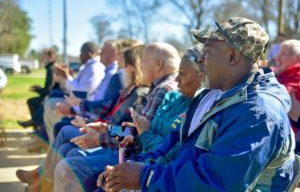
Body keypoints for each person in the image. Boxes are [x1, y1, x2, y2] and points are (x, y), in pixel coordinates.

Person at [99, 17, 296, 192]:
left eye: (208, 52)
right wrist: (127, 169)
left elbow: (216, 183)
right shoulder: (212, 96)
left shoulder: (258, 112)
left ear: (233, 57)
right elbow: (174, 146)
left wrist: (145, 177)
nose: (201, 59)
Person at [53, 44, 208, 192]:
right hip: (133, 154)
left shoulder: (162, 91)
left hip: (131, 154)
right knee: (69, 150)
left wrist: (102, 136)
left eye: (125, 64)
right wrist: (106, 128)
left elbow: (136, 135)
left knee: (67, 158)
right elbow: (133, 129)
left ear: (157, 64)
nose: (121, 69)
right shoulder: (158, 92)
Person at [43, 42, 105, 144]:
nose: (79, 56)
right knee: (50, 99)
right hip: (78, 104)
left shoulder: (95, 68)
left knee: (50, 104)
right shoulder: (87, 67)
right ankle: (52, 142)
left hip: (84, 108)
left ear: (90, 53)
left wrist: (67, 77)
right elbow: (78, 89)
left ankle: (53, 143)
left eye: (81, 53)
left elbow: (83, 93)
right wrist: (67, 77)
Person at [18, 49, 57, 127]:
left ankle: (36, 124)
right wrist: (39, 88)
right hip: (52, 96)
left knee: (31, 102)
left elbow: (49, 90)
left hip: (53, 97)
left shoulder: (51, 69)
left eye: (44, 57)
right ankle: (36, 123)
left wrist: (37, 89)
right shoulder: (52, 68)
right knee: (33, 101)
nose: (42, 59)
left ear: (50, 58)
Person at [275, 39, 300, 152]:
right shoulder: (280, 77)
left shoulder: (296, 80)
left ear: (298, 58)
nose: (277, 57)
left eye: (283, 54)